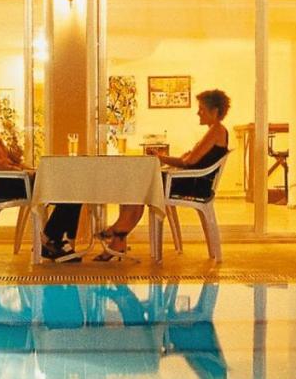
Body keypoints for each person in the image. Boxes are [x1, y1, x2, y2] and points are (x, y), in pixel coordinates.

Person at [97, 89, 231, 259]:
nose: (198, 113)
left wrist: (163, 158)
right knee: (137, 184)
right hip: (190, 180)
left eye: (202, 109)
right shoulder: (215, 131)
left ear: (215, 111)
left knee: (138, 184)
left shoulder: (216, 130)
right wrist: (162, 158)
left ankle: (118, 231)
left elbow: (188, 162)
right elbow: (187, 159)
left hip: (193, 184)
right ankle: (119, 235)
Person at [0, 88, 82, 262]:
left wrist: (16, 156)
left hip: (12, 180)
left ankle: (53, 239)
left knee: (73, 190)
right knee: (71, 191)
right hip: (4, 184)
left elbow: (7, 159)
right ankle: (51, 239)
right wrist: (19, 171)